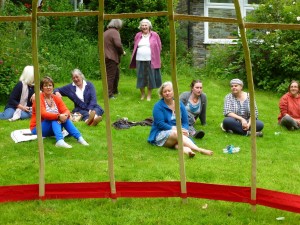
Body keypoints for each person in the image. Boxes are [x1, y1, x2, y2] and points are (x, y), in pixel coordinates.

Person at [148, 81, 213, 157]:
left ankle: (189, 152)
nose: (167, 93)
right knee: (176, 134)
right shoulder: (158, 106)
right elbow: (160, 124)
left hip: (178, 133)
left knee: (177, 144)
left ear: (173, 92)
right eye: (165, 91)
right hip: (161, 133)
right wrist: (174, 129)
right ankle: (200, 150)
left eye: (169, 91)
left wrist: (185, 130)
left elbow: (185, 122)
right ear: (162, 94)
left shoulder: (179, 104)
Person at [30, 76, 89, 148]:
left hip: (52, 128)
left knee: (63, 117)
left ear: (53, 87)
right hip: (37, 129)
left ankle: (80, 138)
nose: (48, 87)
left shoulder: (56, 98)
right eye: (45, 86)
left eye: (50, 85)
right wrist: (58, 116)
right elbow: (44, 114)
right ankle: (60, 141)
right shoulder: (38, 99)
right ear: (42, 88)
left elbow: (66, 110)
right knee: (56, 118)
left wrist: (65, 115)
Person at [129, 19, 162, 101]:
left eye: (145, 25)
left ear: (149, 26)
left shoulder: (155, 35)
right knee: (141, 77)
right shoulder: (137, 35)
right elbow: (135, 46)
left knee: (150, 77)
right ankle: (143, 94)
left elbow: (159, 46)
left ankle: (149, 95)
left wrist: (156, 54)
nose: (144, 27)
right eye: (142, 25)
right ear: (140, 27)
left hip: (151, 59)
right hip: (139, 59)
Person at [104, 19, 125, 99]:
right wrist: (122, 52)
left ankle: (114, 90)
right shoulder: (115, 32)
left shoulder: (106, 32)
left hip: (106, 56)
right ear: (118, 25)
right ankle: (109, 94)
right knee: (111, 76)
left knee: (116, 74)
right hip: (111, 57)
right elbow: (118, 44)